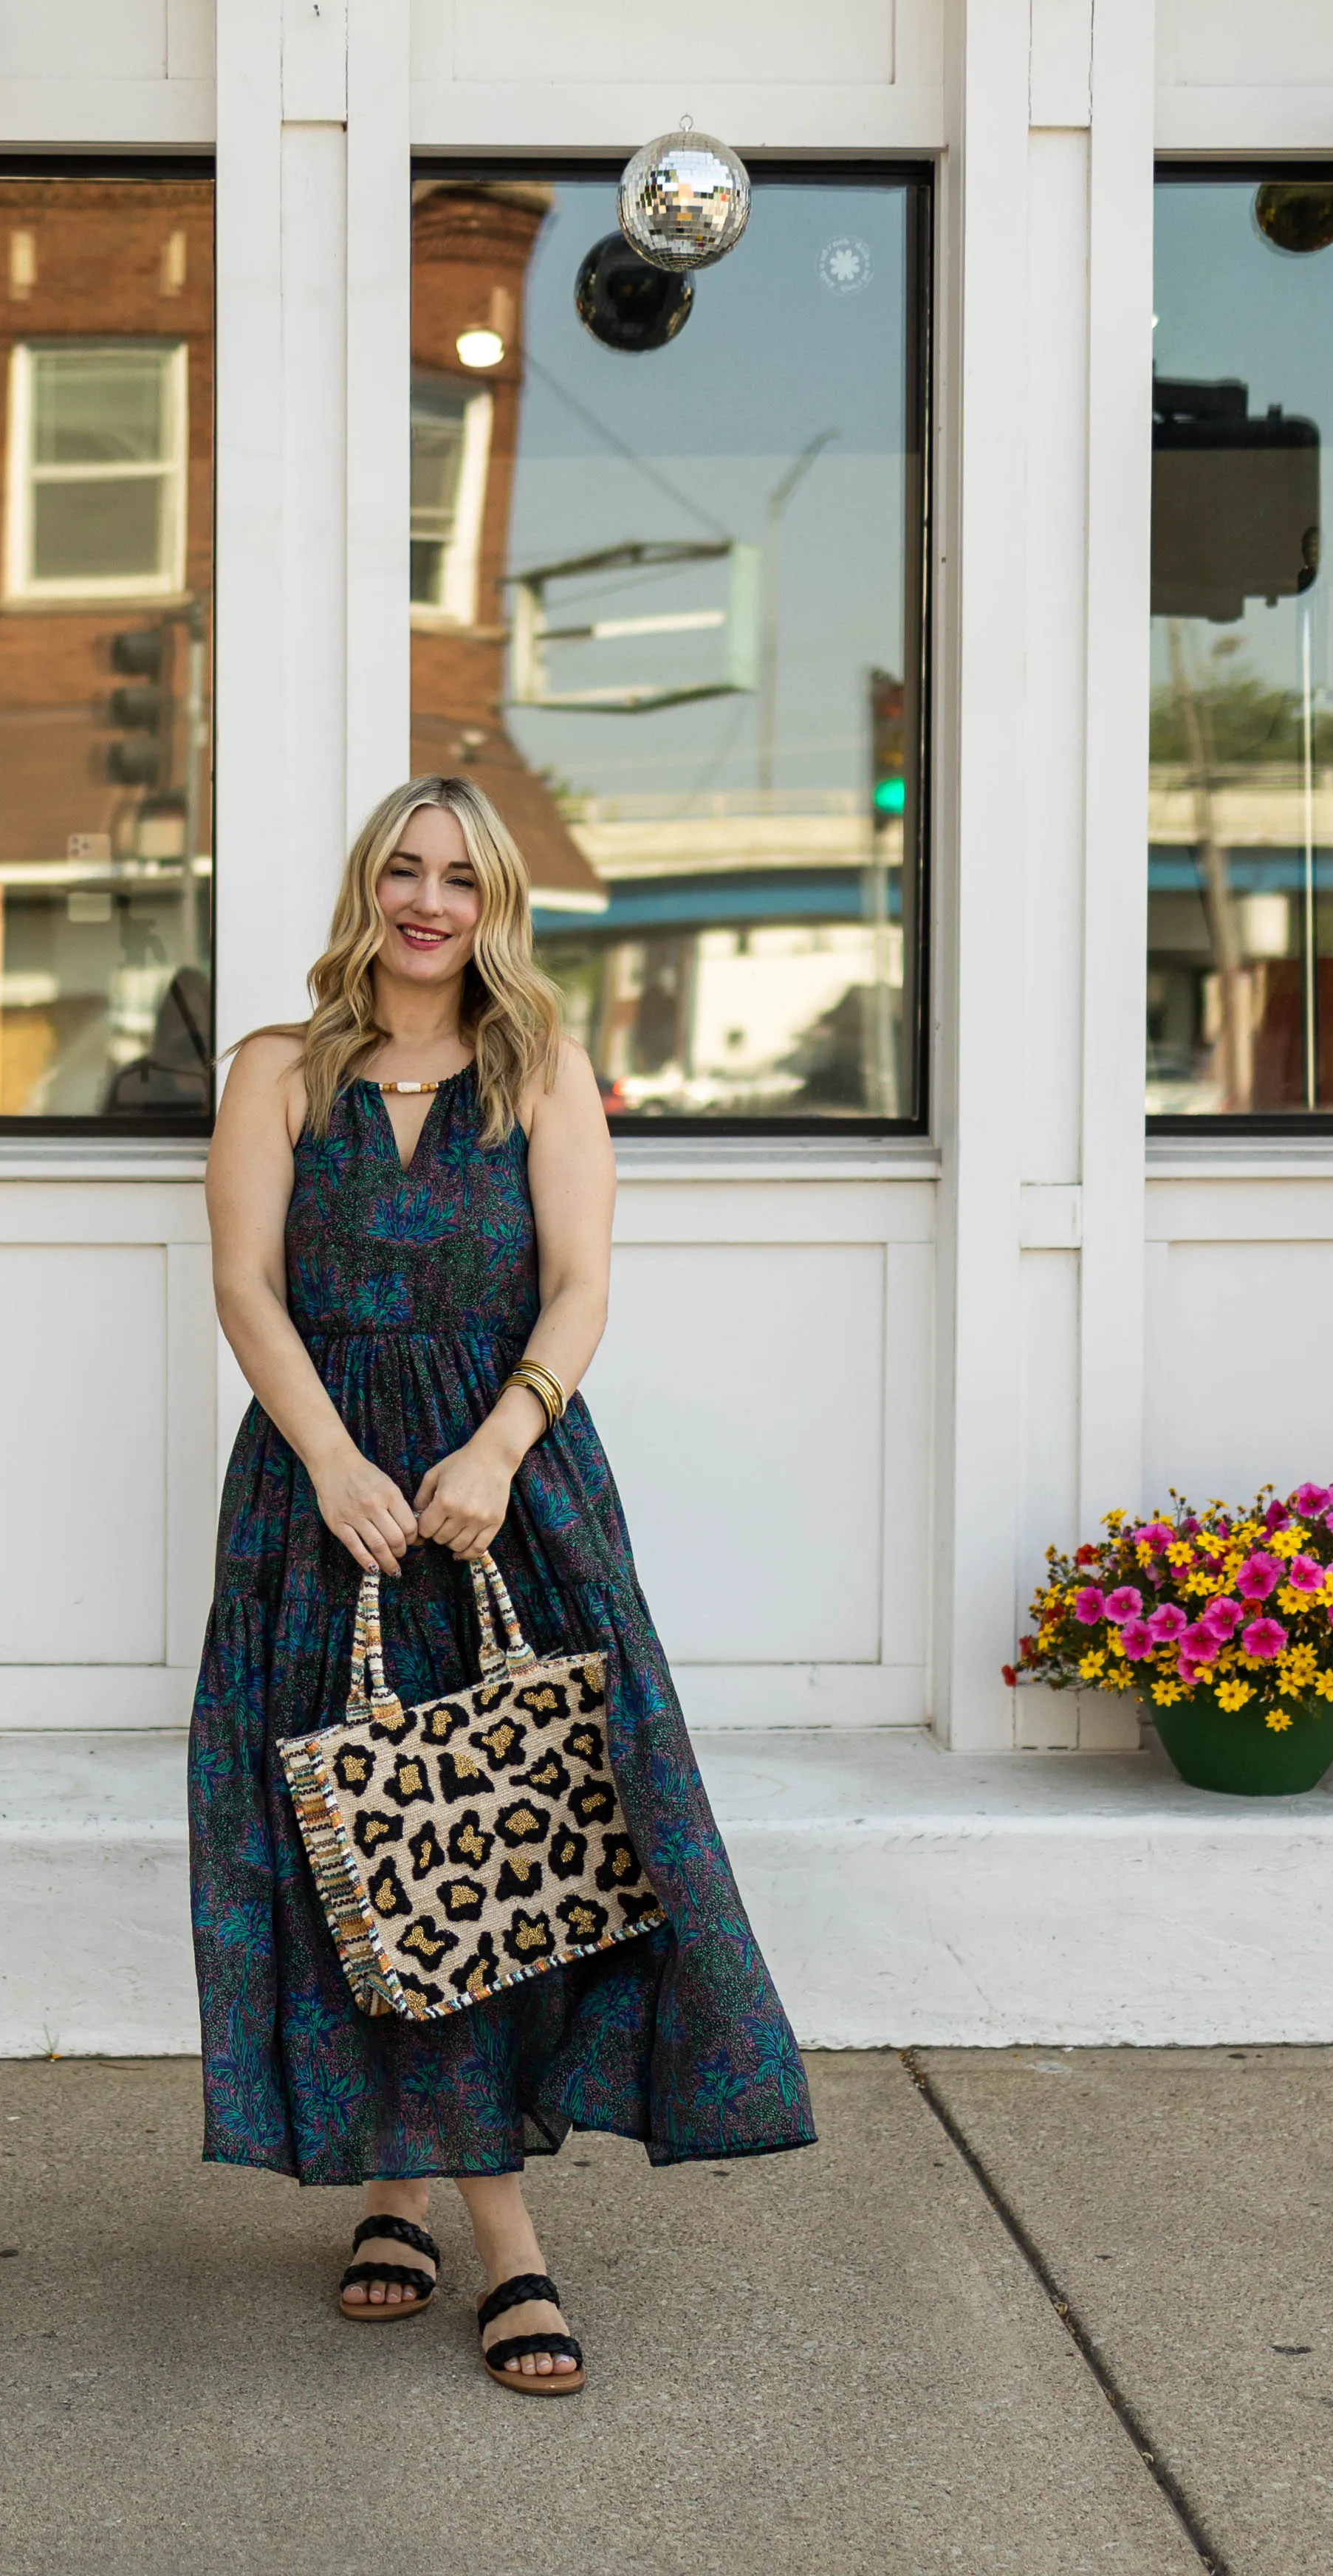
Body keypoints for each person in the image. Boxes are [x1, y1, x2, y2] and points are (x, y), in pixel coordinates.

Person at [188, 773, 815, 2397]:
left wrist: (494, 1449)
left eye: (460, 879)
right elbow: (248, 1290)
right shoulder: (274, 1070)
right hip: (323, 1497)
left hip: (504, 1501)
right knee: (366, 1843)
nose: (428, 902)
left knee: (502, 1839)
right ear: (365, 888)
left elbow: (583, 1284)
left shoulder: (542, 1066)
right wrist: (334, 1464)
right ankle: (401, 2188)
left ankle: (503, 2244)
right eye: (402, 871)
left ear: (497, 903)